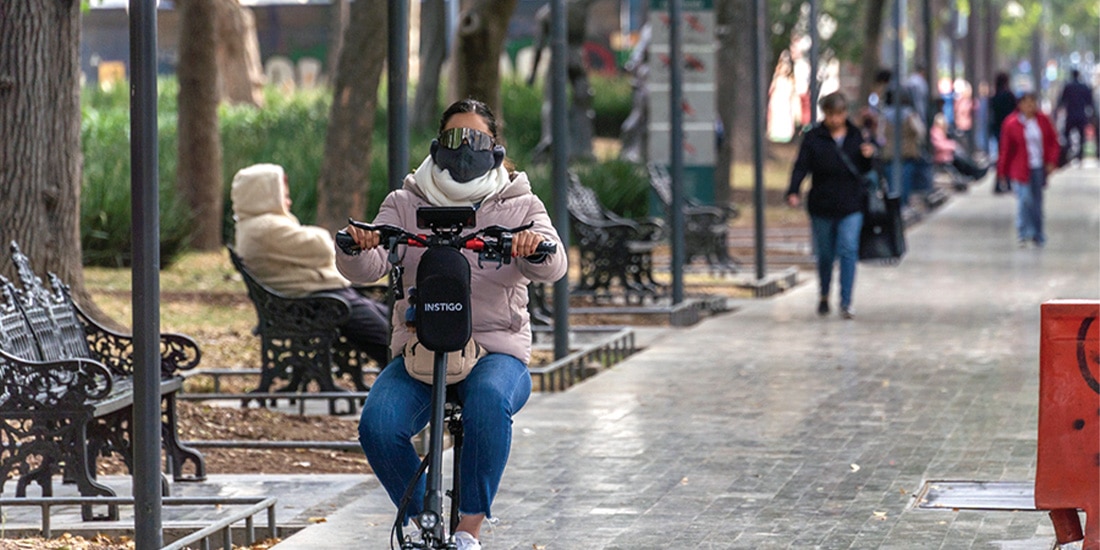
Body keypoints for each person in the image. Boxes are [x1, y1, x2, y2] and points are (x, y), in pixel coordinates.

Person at [336, 99, 568, 550]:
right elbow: (371, 264)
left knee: (488, 401)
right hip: (422, 350)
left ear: (495, 148)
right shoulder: (405, 202)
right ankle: (424, 517)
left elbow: (553, 264)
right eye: (453, 138)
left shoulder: (521, 203)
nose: (464, 149)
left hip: (496, 350)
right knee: (378, 425)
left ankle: (468, 530)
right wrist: (356, 246)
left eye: (476, 139)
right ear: (436, 145)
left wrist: (532, 245)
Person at [230, 163, 390, 368]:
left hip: (317, 299)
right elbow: (323, 246)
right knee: (387, 338)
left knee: (389, 322)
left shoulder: (253, 226)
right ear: (265, 194)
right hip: (319, 303)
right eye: (283, 195)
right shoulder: (265, 227)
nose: (288, 201)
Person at [786, 92, 875, 319]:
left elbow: (866, 169)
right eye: (830, 114)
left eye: (839, 114)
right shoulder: (814, 137)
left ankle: (846, 301)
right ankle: (824, 294)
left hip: (851, 203)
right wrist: (794, 190)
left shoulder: (856, 136)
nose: (835, 119)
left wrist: (868, 157)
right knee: (825, 254)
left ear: (845, 113)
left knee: (848, 249)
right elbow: (801, 165)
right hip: (822, 203)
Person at [997, 92, 1060, 248]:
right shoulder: (1011, 123)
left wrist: (1051, 161)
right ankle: (1023, 232)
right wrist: (1002, 171)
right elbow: (1005, 149)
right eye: (1026, 103)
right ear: (1020, 105)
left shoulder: (1043, 120)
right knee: (1025, 199)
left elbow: (1053, 141)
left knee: (1037, 201)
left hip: (1038, 166)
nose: (1029, 106)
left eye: (1032, 103)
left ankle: (1038, 233)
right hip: (1019, 167)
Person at [879, 87, 927, 211]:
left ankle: (895, 210)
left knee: (892, 185)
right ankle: (903, 207)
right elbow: (921, 132)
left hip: (889, 155)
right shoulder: (910, 114)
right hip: (907, 155)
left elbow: (880, 136)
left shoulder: (884, 115)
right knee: (905, 184)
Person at [1055, 68, 1096, 164]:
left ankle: (1069, 150)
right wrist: (1092, 114)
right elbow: (1090, 102)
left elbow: (1062, 100)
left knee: (1067, 134)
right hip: (1081, 115)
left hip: (1071, 115)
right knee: (1082, 136)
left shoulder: (1068, 87)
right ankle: (1080, 154)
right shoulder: (1084, 87)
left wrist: (1057, 111)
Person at [987, 72, 1017, 193]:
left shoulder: (994, 97)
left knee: (1002, 156)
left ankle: (1000, 182)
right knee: (1008, 156)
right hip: (1009, 129)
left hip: (997, 128)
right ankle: (1007, 182)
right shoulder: (1010, 96)